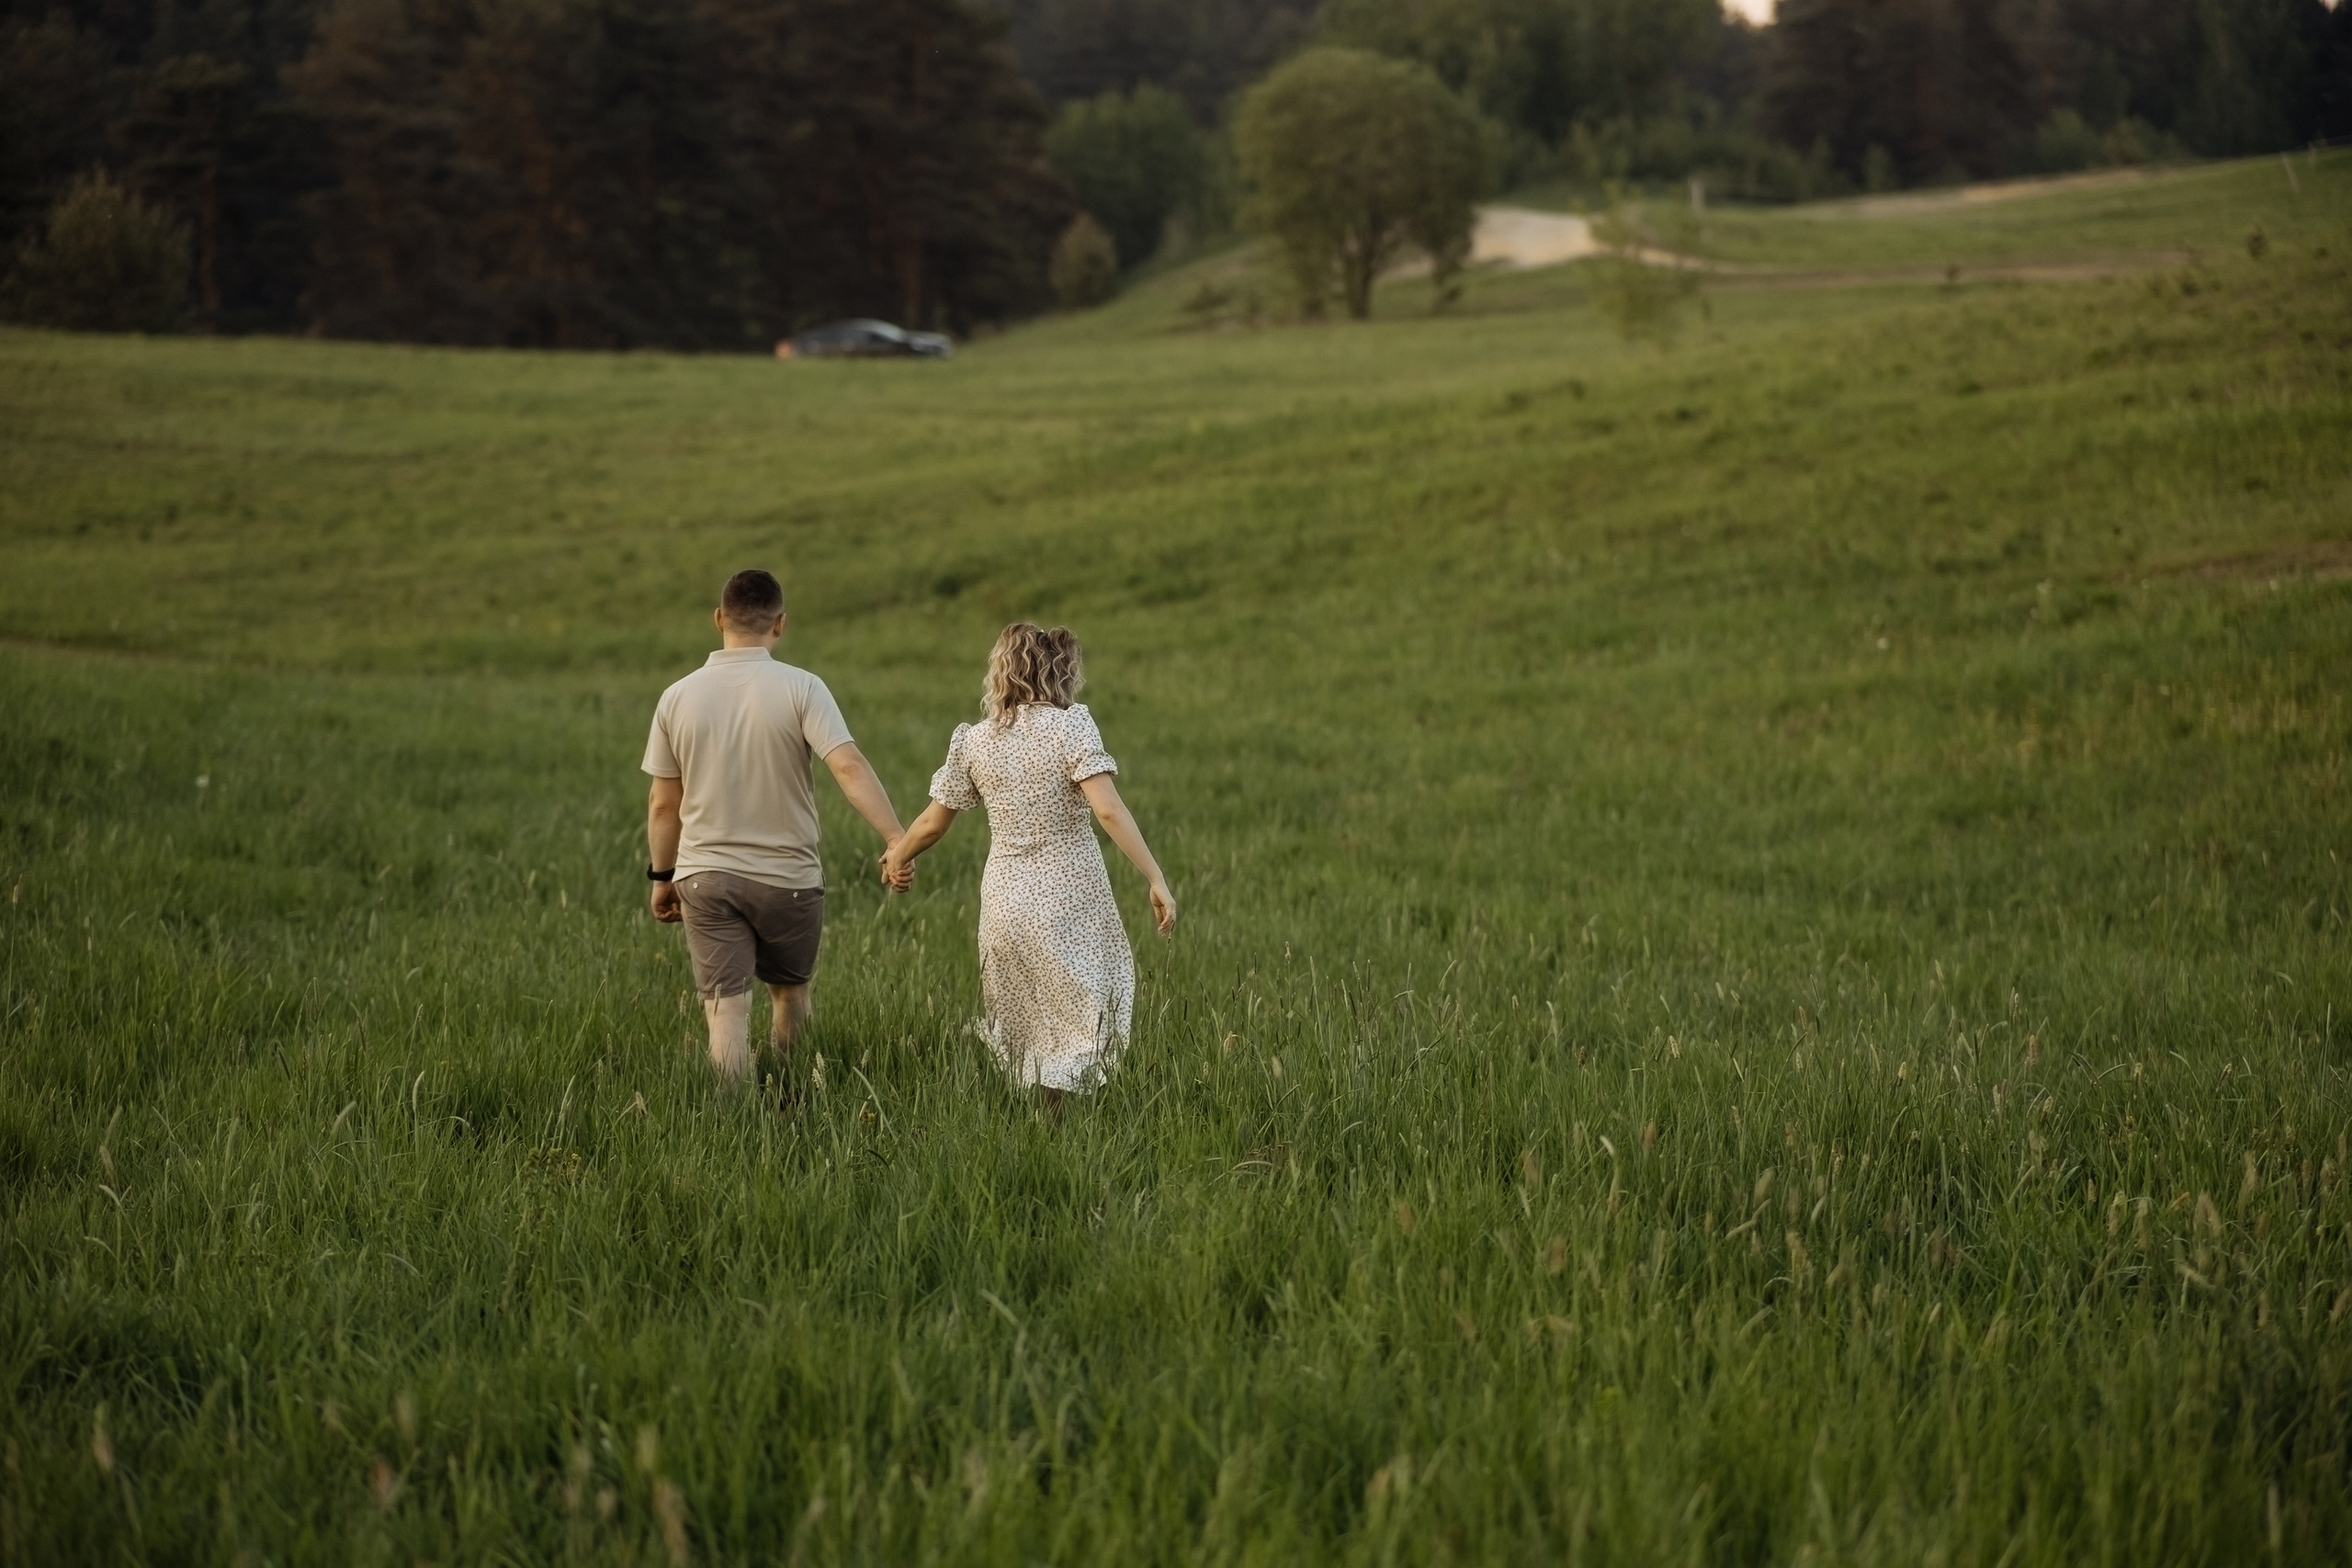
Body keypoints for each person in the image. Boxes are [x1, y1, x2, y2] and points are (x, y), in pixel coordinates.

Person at [882, 623, 1175, 1111]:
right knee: (1089, 1011)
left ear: (1002, 673)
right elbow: (1108, 810)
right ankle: (1067, 1125)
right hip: (1069, 897)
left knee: (1031, 1023)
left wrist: (898, 855)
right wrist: (1155, 877)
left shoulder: (974, 742)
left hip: (1004, 903)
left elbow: (933, 822)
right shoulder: (1071, 726)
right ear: (1060, 672)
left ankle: (1047, 1123)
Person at [643, 569, 908, 1087]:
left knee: (726, 1014)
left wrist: (661, 877)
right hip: (788, 879)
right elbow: (849, 767)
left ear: (719, 618)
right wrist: (896, 839)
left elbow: (662, 804)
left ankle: (732, 1122)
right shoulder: (803, 687)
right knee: (790, 995)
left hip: (704, 878)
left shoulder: (677, 696)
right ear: (779, 625)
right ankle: (789, 1100)